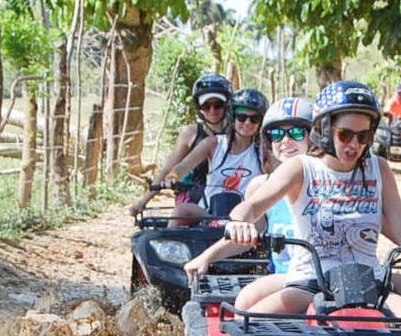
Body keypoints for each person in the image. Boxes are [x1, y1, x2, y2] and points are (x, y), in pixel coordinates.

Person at [223, 80, 401, 318]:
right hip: (311, 280)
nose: (354, 145)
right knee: (249, 323)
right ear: (324, 130)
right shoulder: (300, 169)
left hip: (369, 282)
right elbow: (250, 207)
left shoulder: (379, 168)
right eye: (345, 135)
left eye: (363, 136)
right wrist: (238, 223)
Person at [183, 96, 313, 308]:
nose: (286, 141)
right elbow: (246, 232)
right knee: (244, 304)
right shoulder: (262, 186)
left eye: (297, 133)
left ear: (314, 137)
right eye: (277, 134)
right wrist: (207, 257)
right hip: (284, 279)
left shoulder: (329, 182)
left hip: (322, 279)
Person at [156, 88, 268, 226]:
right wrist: (173, 177)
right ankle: (171, 247)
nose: (247, 123)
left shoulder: (263, 150)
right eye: (241, 117)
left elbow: (282, 173)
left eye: (254, 119)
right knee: (181, 211)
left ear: (261, 122)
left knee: (262, 224)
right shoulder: (213, 143)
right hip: (209, 213)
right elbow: (183, 166)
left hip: (243, 219)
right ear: (232, 117)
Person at [129, 74, 232, 217]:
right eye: (206, 105)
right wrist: (143, 202)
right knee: (179, 224)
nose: (212, 110)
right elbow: (169, 169)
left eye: (218, 105)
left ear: (227, 105)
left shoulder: (237, 134)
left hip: (228, 200)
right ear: (199, 107)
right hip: (193, 199)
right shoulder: (190, 133)